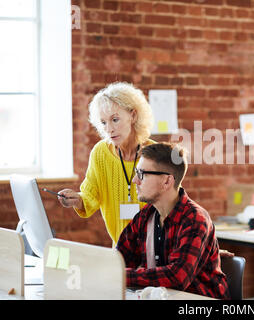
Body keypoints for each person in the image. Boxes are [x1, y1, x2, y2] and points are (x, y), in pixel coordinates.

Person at [116, 142, 230, 299]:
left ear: (167, 182)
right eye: (136, 172)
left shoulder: (195, 219)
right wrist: (113, 269)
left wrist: (119, 274)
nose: (135, 180)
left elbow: (176, 277)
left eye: (142, 174)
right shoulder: (145, 216)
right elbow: (118, 259)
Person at [57, 82, 155, 246]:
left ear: (133, 115)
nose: (109, 129)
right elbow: (90, 195)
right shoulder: (101, 153)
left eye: (115, 120)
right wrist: (76, 199)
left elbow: (169, 206)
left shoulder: (155, 154)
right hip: (120, 249)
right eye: (103, 123)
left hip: (153, 249)